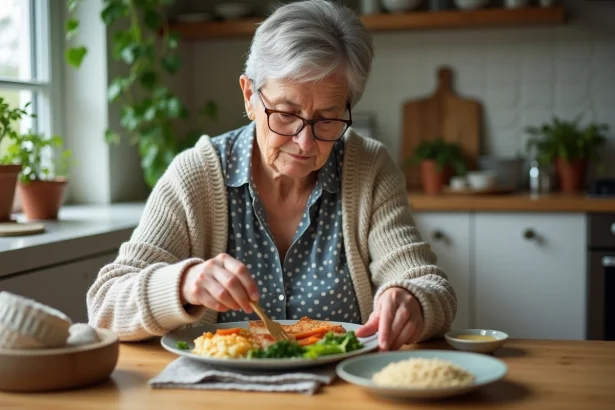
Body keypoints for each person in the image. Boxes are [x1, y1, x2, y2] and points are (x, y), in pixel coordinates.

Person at [87, 0, 457, 351]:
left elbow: (431, 287)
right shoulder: (196, 173)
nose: (304, 141)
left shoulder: (369, 168)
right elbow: (105, 306)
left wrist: (412, 300)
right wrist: (181, 284)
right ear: (250, 96)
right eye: (285, 113)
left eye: (327, 119)